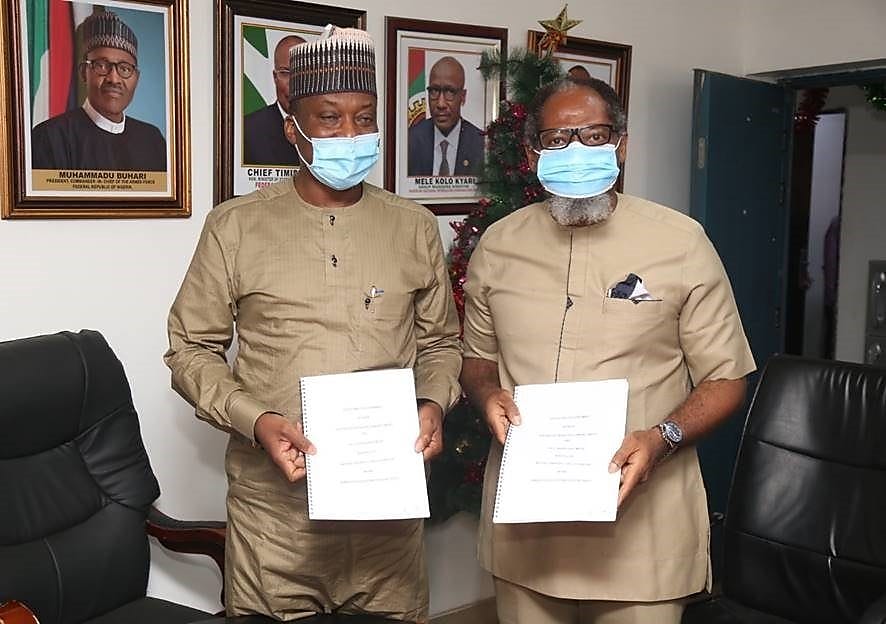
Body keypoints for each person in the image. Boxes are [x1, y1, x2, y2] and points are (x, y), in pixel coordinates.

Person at [164, 25, 461, 622]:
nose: (349, 135)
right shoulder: (236, 227)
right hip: (277, 517)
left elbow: (441, 342)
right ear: (291, 128)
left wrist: (432, 402)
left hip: (386, 513)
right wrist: (258, 420)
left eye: (364, 118)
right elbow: (189, 350)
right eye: (328, 118)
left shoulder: (414, 226)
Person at [460, 75, 755, 624]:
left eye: (594, 136)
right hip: (528, 530)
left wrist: (662, 437)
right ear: (532, 153)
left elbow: (726, 378)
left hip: (643, 531)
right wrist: (485, 395)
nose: (576, 151)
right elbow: (476, 362)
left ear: (620, 142)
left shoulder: (680, 242)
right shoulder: (498, 246)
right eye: (556, 140)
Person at [31, 10, 166, 171]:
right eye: (102, 65)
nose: (114, 79)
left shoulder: (152, 140)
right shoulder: (49, 138)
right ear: (83, 73)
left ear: (136, 78)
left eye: (124, 68)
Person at [407, 56, 484, 177]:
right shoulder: (410, 141)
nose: (440, 104)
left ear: (463, 97)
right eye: (434, 91)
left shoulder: (481, 145)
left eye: (449, 92)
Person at [243, 34, 306, 166]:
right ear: (275, 77)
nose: (294, 83)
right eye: (285, 73)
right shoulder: (249, 130)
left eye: (302, 72)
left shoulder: (330, 128)